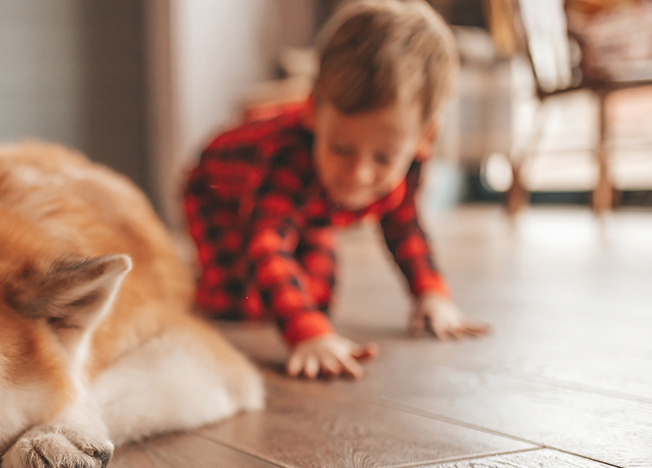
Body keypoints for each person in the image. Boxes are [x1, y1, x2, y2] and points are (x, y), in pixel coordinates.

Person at [185, 0, 489, 380]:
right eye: (341, 148)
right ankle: (197, 279)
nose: (359, 176)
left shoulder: (409, 163)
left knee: (318, 295)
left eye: (383, 158)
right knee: (237, 300)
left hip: (312, 207)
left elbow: (405, 226)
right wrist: (307, 334)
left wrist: (432, 293)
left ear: (423, 139)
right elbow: (266, 245)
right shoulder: (286, 156)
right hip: (218, 192)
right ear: (312, 112)